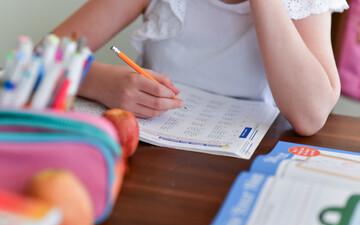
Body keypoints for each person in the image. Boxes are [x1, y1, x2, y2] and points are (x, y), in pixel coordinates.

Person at [50, 0, 348, 136]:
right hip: (152, 153)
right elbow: (44, 56)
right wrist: (101, 82)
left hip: (248, 160)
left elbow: (310, 116)